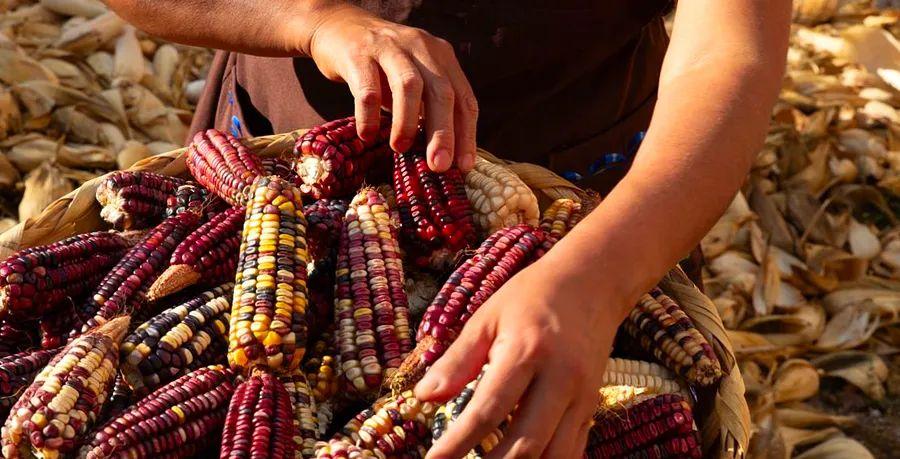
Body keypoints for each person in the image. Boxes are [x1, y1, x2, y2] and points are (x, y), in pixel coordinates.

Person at [106, 0, 790, 456]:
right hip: (284, 141)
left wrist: (598, 278)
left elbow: (730, 48)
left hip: (597, 209)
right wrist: (312, 20)